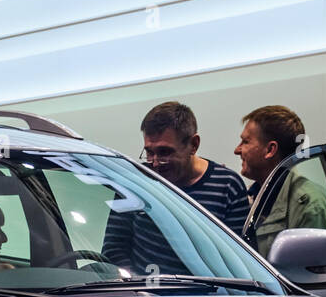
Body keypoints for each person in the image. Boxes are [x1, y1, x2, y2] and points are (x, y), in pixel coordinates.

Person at [102, 101, 248, 275]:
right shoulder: (135, 181)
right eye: (149, 152)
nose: (155, 163)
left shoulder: (227, 186)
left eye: (165, 152)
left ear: (194, 145)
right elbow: (114, 249)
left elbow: (238, 263)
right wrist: (138, 289)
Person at [234, 105, 326, 257]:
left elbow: (312, 275)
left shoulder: (310, 205)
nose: (237, 150)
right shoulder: (251, 197)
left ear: (270, 150)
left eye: (246, 142)